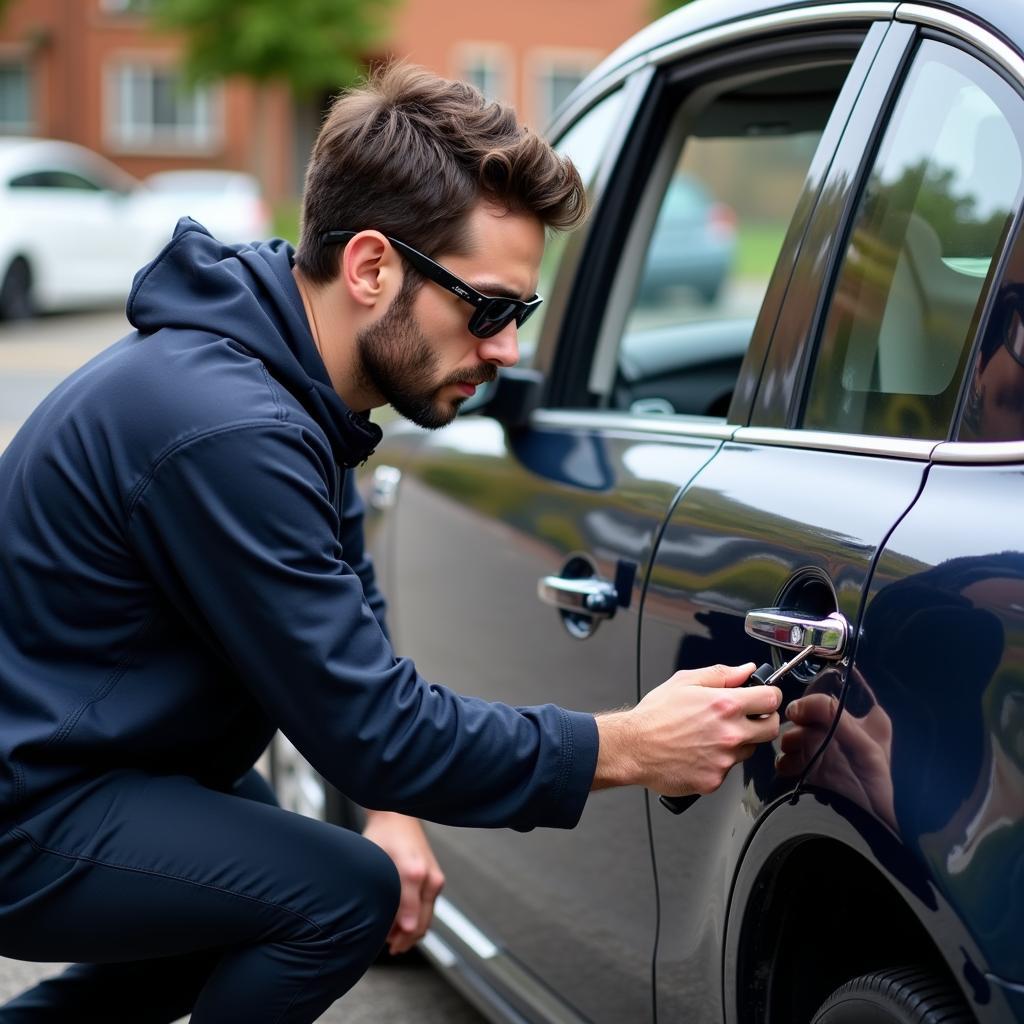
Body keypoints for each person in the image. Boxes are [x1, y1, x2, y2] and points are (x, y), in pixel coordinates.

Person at [0, 64, 781, 1023]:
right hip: (32, 803)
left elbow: (346, 613)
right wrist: (625, 746)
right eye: (488, 309)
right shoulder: (229, 427)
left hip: (95, 759)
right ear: (372, 267)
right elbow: (377, 728)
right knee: (338, 896)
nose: (506, 352)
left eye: (519, 317)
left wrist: (391, 805)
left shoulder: (277, 375)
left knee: (244, 903)